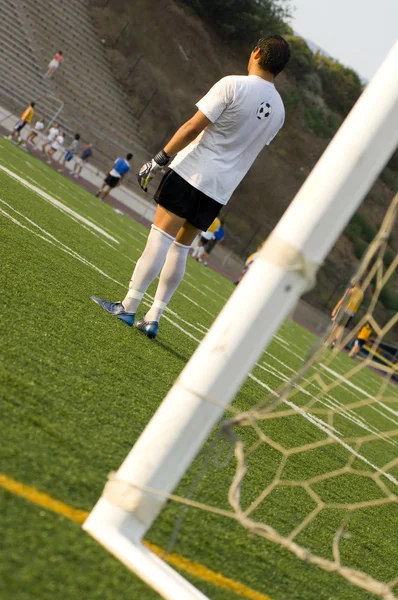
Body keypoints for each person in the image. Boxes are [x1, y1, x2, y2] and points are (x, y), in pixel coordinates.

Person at [91, 34, 290, 339]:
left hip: (192, 171)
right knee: (182, 248)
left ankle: (129, 305)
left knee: (159, 239)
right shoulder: (279, 110)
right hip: (220, 188)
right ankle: (155, 315)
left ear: (257, 52)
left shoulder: (233, 84)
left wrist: (159, 159)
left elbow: (192, 127)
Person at [325, 279, 364, 348]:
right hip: (351, 314)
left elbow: (342, 300)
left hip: (345, 310)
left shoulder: (351, 290)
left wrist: (335, 308)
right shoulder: (361, 294)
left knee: (335, 326)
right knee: (341, 328)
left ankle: (327, 342)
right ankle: (334, 342)